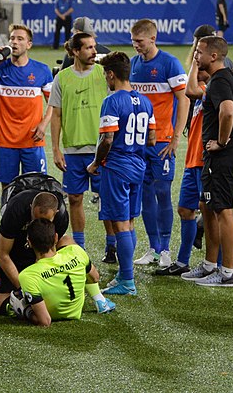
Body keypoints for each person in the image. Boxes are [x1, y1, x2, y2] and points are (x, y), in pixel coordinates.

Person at [184, 36, 233, 287]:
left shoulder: (219, 82)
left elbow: (227, 110)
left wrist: (224, 141)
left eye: (200, 52)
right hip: (220, 156)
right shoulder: (231, 79)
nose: (196, 56)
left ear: (213, 56)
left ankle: (227, 272)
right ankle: (209, 265)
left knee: (223, 211)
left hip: (221, 156)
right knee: (209, 207)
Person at [87, 51, 156, 296]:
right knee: (128, 222)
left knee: (119, 224)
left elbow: (107, 139)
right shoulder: (146, 101)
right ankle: (124, 274)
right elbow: (152, 138)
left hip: (117, 166)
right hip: (138, 165)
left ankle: (127, 280)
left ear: (111, 75)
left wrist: (96, 163)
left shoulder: (112, 101)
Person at [129, 19, 189, 269]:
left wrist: (176, 137)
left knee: (163, 192)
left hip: (163, 141)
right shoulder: (133, 64)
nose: (135, 46)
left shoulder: (170, 64)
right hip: (139, 143)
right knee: (145, 194)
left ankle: (165, 248)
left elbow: (184, 101)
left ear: (153, 39)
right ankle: (153, 248)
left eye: (139, 42)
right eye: (133, 41)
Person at [50, 31, 109, 257]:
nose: (94, 51)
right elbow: (56, 115)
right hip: (73, 150)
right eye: (88, 48)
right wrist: (56, 149)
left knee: (107, 200)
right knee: (75, 198)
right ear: (75, 51)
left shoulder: (105, 74)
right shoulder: (62, 78)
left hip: (101, 149)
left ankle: (111, 243)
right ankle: (80, 247)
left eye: (94, 47)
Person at [156, 45, 209, 276]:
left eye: (200, 64)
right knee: (185, 210)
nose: (196, 67)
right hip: (191, 161)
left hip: (206, 162)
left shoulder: (211, 89)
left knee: (212, 214)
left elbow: (189, 91)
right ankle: (183, 260)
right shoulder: (200, 91)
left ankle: (215, 265)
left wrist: (196, 65)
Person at [0, 24, 53, 190]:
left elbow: (54, 102)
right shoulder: (0, 69)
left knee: (35, 187)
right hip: (4, 141)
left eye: (20, 39)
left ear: (29, 44)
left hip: (32, 140)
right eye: (12, 38)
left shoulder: (42, 70)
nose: (14, 42)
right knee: (8, 188)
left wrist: (44, 124)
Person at [15, 218, 111, 325]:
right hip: (76, 311)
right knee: (67, 240)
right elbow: (95, 277)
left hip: (49, 314)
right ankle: (100, 300)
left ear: (30, 243)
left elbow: (45, 321)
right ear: (56, 238)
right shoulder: (76, 251)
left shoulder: (27, 275)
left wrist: (26, 311)